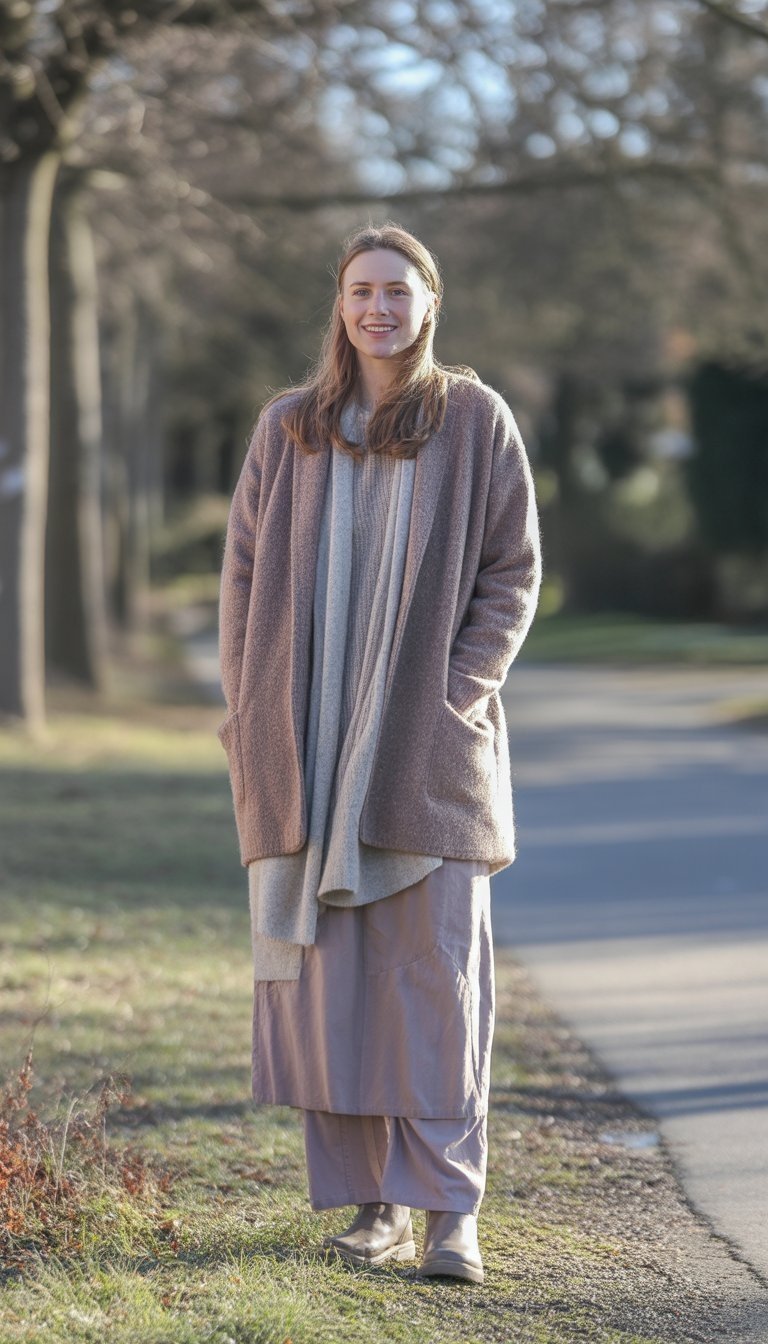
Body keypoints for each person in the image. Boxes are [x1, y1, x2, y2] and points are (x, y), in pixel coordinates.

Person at [217, 221, 542, 1284]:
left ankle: (451, 1213)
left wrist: (457, 695)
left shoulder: (476, 421)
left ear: (431, 303)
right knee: (332, 991)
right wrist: (251, 703)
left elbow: (512, 574)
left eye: (398, 290)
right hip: (306, 754)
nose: (379, 309)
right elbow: (242, 574)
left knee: (437, 985)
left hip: (425, 763)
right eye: (361, 290)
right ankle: (372, 1209)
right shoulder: (290, 429)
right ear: (340, 304)